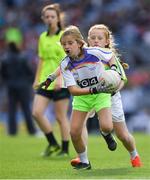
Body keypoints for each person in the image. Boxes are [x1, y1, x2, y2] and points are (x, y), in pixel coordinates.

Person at [41, 24, 142, 169]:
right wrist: (51, 77)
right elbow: (63, 65)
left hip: (110, 96)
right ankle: (83, 158)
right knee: (78, 127)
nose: (95, 40)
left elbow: (121, 81)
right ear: (86, 40)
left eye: (99, 38)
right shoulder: (84, 54)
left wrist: (111, 87)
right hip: (88, 93)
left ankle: (134, 154)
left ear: (106, 41)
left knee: (122, 135)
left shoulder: (108, 58)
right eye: (92, 37)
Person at [32, 3, 70, 157]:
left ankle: (65, 150)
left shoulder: (64, 36)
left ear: (57, 18)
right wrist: (36, 79)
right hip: (45, 81)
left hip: (61, 81)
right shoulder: (42, 37)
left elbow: (67, 59)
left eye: (52, 17)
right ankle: (53, 144)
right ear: (43, 19)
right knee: (36, 113)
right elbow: (41, 59)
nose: (49, 19)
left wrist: (60, 78)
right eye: (46, 17)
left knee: (60, 117)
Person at [0, 42, 37, 135]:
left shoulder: (5, 59)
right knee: (26, 109)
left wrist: (7, 83)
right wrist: (29, 82)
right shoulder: (23, 57)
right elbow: (30, 72)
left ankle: (12, 131)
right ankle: (31, 130)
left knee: (11, 109)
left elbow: (3, 74)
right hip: (23, 87)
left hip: (11, 86)